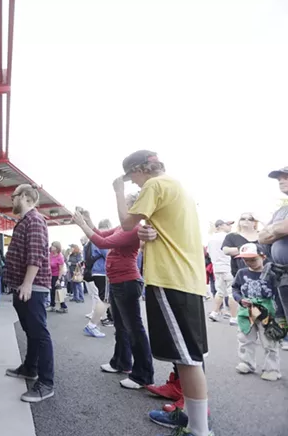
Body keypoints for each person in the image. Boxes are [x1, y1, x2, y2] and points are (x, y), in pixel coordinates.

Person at [116, 150, 212, 436]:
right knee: (187, 355)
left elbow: (125, 223)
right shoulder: (176, 186)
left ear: (139, 170)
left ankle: (198, 428)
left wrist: (117, 191)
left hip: (171, 279)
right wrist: (148, 234)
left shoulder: (154, 185)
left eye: (131, 178)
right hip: (187, 279)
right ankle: (193, 419)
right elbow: (162, 231)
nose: (133, 184)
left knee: (187, 358)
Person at [71, 196, 154, 390]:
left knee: (134, 329)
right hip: (119, 282)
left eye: (123, 204)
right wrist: (89, 220)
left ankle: (143, 374)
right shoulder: (123, 227)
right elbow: (102, 234)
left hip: (126, 282)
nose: (119, 207)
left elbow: (102, 242)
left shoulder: (133, 229)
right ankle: (121, 362)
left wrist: (83, 225)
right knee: (121, 326)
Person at [4, 184, 55, 403]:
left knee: (39, 333)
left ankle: (46, 382)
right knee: (32, 331)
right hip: (24, 286)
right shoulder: (27, 221)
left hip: (31, 286)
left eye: (14, 196)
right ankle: (30, 368)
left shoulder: (34, 221)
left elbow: (35, 256)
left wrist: (26, 284)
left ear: (24, 197)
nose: (11, 200)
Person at [231, 243, 281, 381]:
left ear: (263, 256)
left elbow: (278, 292)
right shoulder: (241, 273)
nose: (249, 263)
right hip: (247, 310)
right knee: (245, 337)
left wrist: (279, 313)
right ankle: (246, 363)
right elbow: (235, 289)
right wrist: (240, 299)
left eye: (253, 259)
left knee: (269, 339)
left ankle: (272, 369)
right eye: (245, 260)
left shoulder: (271, 273)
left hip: (267, 310)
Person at [259, 166, 288, 351]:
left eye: (286, 177)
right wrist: (277, 229)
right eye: (279, 179)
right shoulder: (282, 210)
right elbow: (261, 237)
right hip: (282, 274)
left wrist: (275, 230)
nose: (281, 181)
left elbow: (283, 229)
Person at [217, 214, 261, 326]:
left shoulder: (261, 235)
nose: (246, 221)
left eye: (250, 219)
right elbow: (226, 250)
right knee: (238, 295)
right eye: (243, 218)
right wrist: (249, 249)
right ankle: (237, 318)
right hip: (241, 273)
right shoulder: (232, 236)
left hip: (263, 274)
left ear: (254, 222)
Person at [207, 220, 235, 322]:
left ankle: (215, 312)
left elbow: (209, 253)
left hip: (217, 267)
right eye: (228, 225)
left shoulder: (211, 239)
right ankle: (233, 317)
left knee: (219, 292)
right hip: (228, 266)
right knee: (231, 292)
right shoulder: (228, 237)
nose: (230, 227)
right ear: (221, 226)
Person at [48, 241, 68, 313]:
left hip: (57, 276)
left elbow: (61, 269)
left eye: (53, 246)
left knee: (59, 292)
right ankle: (52, 305)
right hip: (51, 275)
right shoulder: (50, 254)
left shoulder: (60, 257)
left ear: (56, 248)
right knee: (52, 291)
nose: (51, 247)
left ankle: (64, 306)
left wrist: (58, 279)